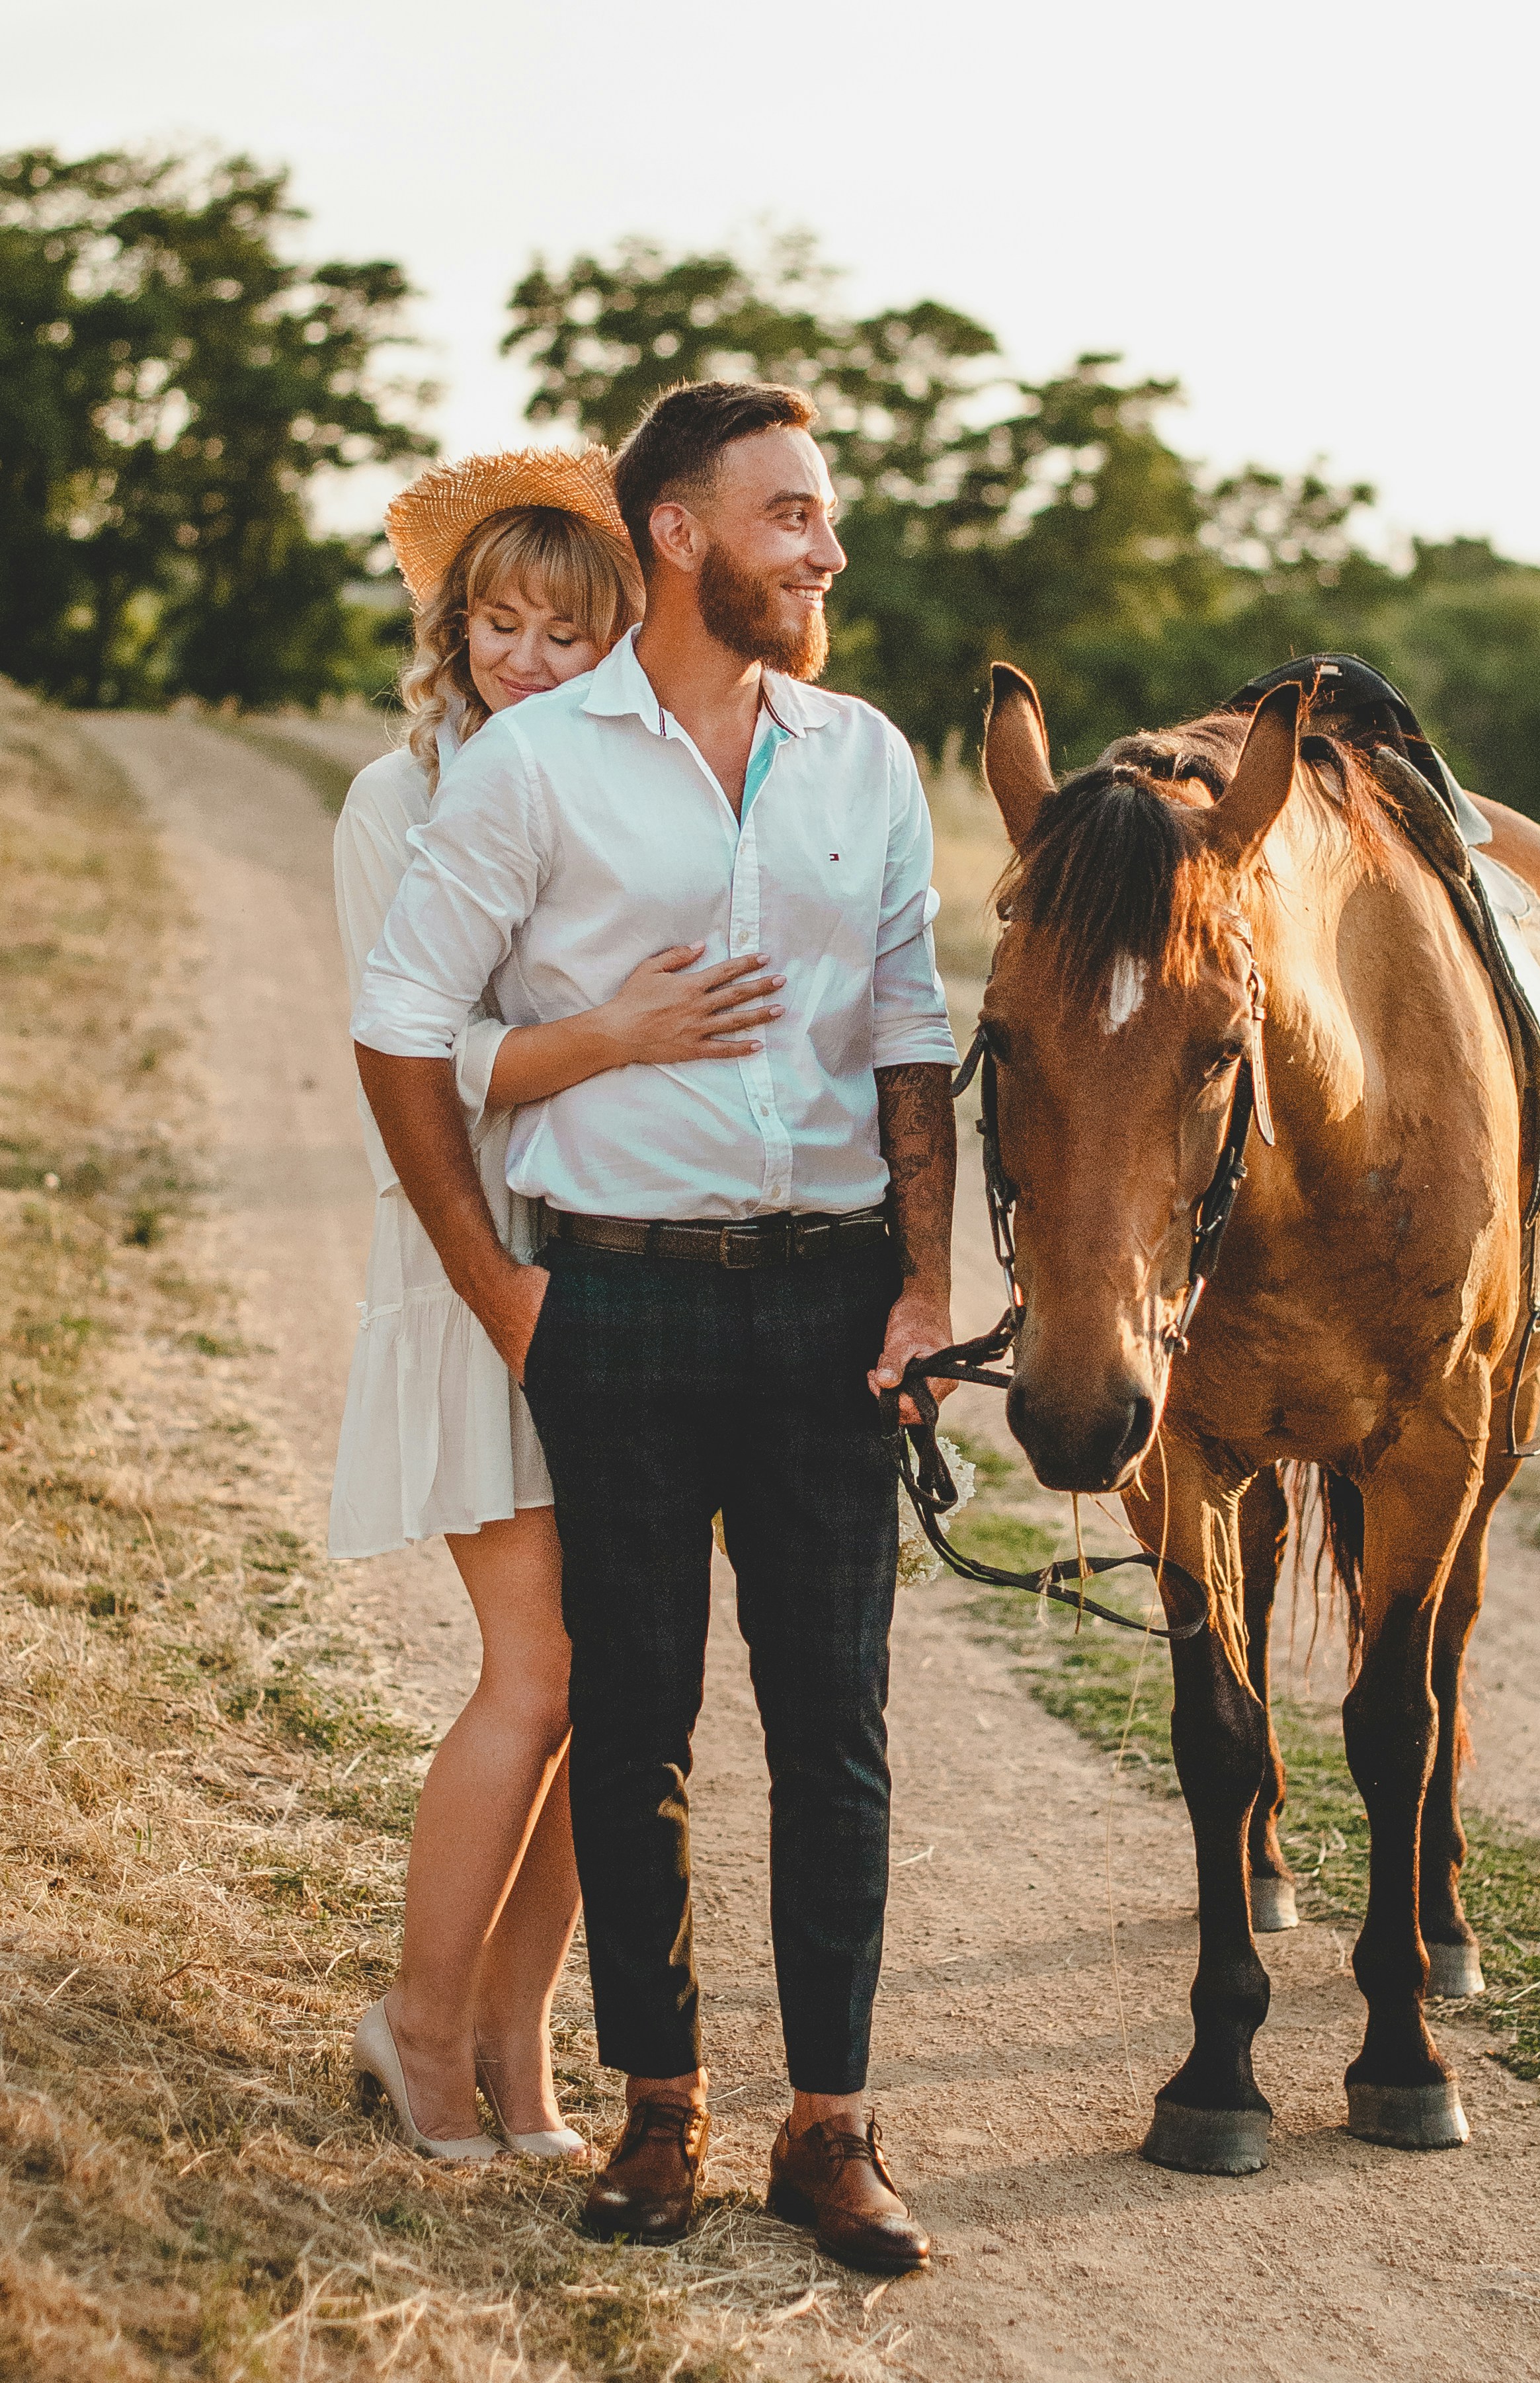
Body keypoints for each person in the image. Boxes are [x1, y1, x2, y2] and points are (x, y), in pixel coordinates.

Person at [350, 382, 959, 2271]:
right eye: (791, 513)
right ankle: (647, 2111)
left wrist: (931, 1282)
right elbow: (403, 1028)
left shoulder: (863, 757)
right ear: (683, 534)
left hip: (829, 1295)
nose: (827, 548)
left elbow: (914, 1033)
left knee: (833, 1728)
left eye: (826, 516)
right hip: (597, 1287)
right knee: (623, 1719)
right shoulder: (516, 773)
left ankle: (831, 2122)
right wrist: (503, 1286)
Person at [334, 446, 785, 2160]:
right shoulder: (401, 799)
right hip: (475, 1262)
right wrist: (609, 1040)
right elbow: (412, 1060)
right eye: (494, 620)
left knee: (623, 1681)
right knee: (539, 1666)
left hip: (616, 1266)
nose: (520, 653)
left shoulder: (623, 791)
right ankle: (419, 2024)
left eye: (559, 623)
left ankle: (521, 2040)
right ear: (454, 630)